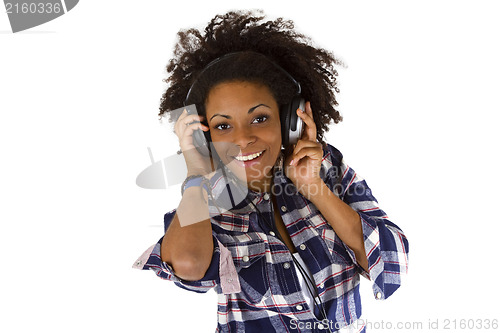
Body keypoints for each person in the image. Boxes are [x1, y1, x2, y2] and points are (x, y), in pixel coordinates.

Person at [133, 10, 409, 333]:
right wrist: (196, 174)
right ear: (206, 138)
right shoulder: (205, 206)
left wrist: (315, 189)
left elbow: (392, 266)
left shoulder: (327, 167)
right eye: (223, 126)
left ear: (289, 119)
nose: (243, 138)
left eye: (260, 118)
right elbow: (189, 264)